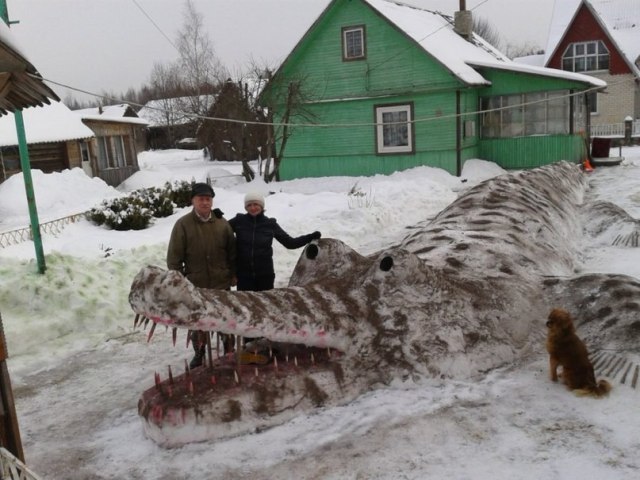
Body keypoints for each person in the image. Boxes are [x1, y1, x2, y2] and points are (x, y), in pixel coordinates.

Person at [166, 182, 236, 368]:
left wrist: (233, 273)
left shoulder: (222, 224)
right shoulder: (183, 225)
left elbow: (232, 252)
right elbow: (174, 259)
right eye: (201, 199)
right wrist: (180, 281)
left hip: (221, 282)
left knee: (225, 318)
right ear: (193, 201)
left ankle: (229, 349)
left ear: (212, 201)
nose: (205, 203)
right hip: (196, 285)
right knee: (198, 322)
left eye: (208, 199)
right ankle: (199, 353)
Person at [229, 191, 321, 293]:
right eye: (249, 205)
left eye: (256, 204)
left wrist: (310, 237)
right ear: (245, 207)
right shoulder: (239, 221)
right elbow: (220, 229)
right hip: (244, 276)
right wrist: (215, 216)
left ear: (261, 205)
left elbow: (289, 243)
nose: (252, 208)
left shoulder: (270, 224)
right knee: (246, 307)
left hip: (265, 276)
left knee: (266, 306)